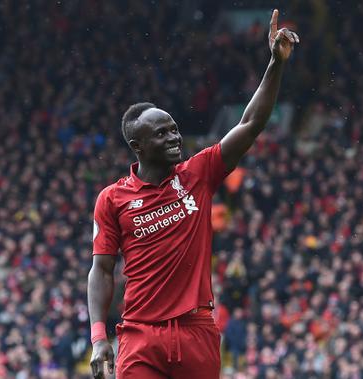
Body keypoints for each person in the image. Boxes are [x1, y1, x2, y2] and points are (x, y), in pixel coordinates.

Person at [87, 9, 299, 379]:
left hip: (196, 331)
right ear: (138, 146)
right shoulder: (112, 199)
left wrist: (274, 64)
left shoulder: (198, 174)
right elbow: (101, 269)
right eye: (162, 134)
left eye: (174, 129)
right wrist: (98, 337)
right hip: (140, 336)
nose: (174, 137)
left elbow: (250, 124)